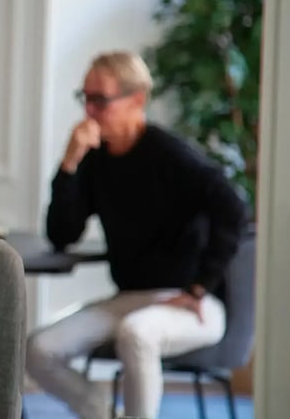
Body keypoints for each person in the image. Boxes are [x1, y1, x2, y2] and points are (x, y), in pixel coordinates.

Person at [26, 51, 248, 419]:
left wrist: (200, 286)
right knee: (40, 349)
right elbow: (62, 234)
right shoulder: (96, 160)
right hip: (129, 298)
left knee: (136, 333)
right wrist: (69, 164)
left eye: (101, 100)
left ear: (138, 99)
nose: (90, 111)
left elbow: (234, 208)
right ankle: (105, 414)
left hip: (190, 303)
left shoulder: (169, 155)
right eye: (86, 98)